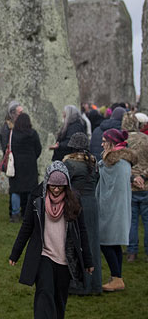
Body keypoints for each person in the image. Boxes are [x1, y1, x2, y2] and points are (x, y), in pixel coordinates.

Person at [9, 161, 94, 319]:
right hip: (44, 255)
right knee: (44, 294)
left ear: (66, 185)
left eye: (60, 187)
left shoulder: (74, 200)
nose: (56, 189)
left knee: (59, 300)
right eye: (52, 186)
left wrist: (88, 261)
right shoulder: (37, 198)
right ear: (47, 183)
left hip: (65, 259)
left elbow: (82, 232)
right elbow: (27, 226)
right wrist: (15, 253)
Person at [96, 128, 136, 292]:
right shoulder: (123, 162)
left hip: (111, 209)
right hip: (118, 208)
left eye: (104, 141)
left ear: (111, 142)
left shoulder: (113, 163)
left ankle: (117, 278)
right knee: (114, 244)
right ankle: (116, 277)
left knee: (105, 242)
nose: (102, 144)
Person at [62, 132, 101, 295]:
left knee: (76, 244)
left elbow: (64, 184)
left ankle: (79, 284)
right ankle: (94, 285)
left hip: (76, 204)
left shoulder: (69, 163)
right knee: (92, 243)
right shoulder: (94, 162)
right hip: (92, 204)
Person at [121, 112, 148, 262]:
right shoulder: (146, 140)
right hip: (146, 185)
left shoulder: (124, 142)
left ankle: (132, 252)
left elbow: (121, 164)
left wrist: (133, 177)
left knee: (131, 221)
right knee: (147, 220)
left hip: (130, 185)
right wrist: (143, 176)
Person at [9, 113, 42, 222]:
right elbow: (38, 148)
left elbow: (10, 147)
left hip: (17, 164)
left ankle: (15, 214)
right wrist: (33, 157)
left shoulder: (13, 133)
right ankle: (29, 213)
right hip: (30, 164)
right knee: (30, 190)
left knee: (15, 190)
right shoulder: (33, 133)